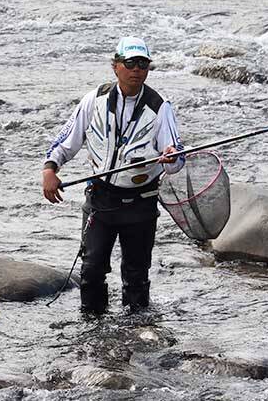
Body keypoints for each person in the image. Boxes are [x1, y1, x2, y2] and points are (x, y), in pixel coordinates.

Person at [42, 37, 184, 314]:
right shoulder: (93, 99)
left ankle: (138, 332)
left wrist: (172, 156)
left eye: (143, 64)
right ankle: (93, 331)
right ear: (116, 66)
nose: (137, 70)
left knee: (136, 277)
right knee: (92, 271)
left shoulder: (160, 107)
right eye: (130, 63)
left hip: (141, 204)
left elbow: (176, 159)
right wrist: (50, 168)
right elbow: (67, 140)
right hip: (100, 200)